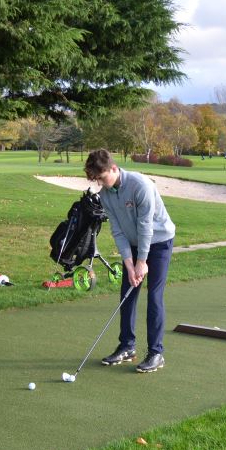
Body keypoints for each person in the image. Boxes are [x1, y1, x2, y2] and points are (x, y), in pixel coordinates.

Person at [84, 149, 175, 373]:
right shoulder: (105, 194)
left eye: (103, 177)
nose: (101, 184)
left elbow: (146, 227)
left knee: (154, 296)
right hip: (134, 245)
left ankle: (156, 352)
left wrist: (141, 262)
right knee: (128, 292)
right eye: (97, 180)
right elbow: (117, 231)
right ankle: (127, 346)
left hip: (160, 240)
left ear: (114, 168)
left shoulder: (140, 185)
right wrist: (128, 263)